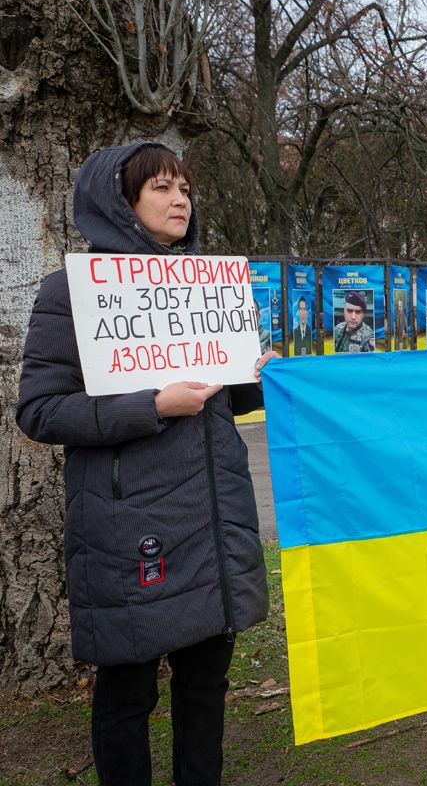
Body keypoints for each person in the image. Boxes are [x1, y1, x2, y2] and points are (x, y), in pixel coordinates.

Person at [16, 142, 272, 786]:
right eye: (161, 187)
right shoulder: (71, 294)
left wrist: (254, 377)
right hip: (130, 528)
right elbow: (42, 411)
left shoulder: (205, 288)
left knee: (206, 684)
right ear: (119, 201)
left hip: (213, 517)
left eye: (184, 187)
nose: (180, 199)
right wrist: (153, 404)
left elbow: (221, 397)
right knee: (128, 692)